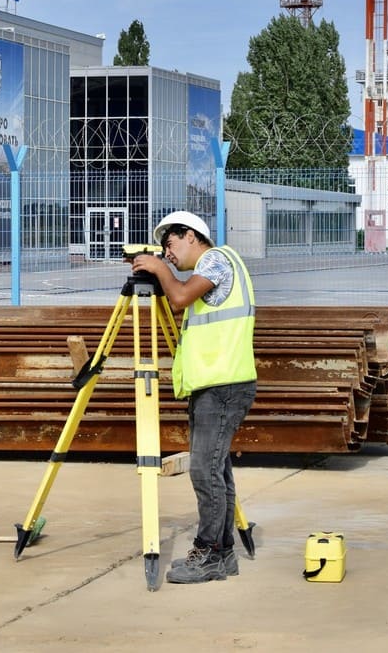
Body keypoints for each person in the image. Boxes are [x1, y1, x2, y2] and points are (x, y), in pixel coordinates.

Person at [129, 210, 257, 584]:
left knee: (204, 470)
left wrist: (157, 268)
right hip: (217, 385)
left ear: (190, 235)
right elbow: (178, 299)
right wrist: (159, 270)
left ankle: (210, 554)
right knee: (217, 470)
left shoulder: (217, 258)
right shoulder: (212, 271)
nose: (168, 255)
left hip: (224, 387)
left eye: (169, 246)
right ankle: (225, 554)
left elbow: (180, 297)